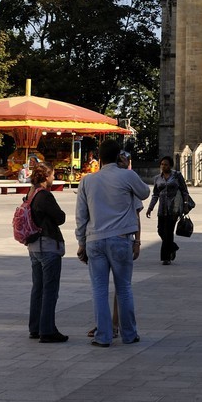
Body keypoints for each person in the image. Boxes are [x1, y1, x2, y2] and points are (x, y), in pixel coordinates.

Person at [75, 138, 150, 347]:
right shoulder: (127, 176)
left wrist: (81, 242)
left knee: (99, 289)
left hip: (95, 239)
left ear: (99, 157)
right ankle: (129, 334)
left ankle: (103, 336)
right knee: (124, 287)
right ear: (119, 156)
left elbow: (81, 216)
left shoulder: (87, 181)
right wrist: (126, 170)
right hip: (120, 238)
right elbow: (145, 192)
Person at [25, 163, 68, 342]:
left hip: (34, 247)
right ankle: (47, 330)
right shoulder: (44, 195)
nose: (53, 178)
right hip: (48, 246)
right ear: (45, 176)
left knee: (38, 288)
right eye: (51, 175)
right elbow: (60, 217)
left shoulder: (30, 193)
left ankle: (35, 327)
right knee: (50, 290)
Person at [146, 156, 192, 264]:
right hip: (162, 208)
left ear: (170, 166)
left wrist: (185, 204)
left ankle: (166, 258)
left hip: (174, 208)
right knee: (160, 230)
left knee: (168, 232)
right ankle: (173, 247)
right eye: (162, 164)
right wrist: (150, 208)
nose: (163, 166)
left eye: (165, 164)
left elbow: (184, 191)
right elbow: (155, 194)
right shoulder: (157, 178)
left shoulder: (177, 176)